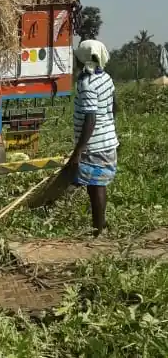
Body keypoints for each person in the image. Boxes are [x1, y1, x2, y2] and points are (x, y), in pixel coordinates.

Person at [64, 39, 118, 236]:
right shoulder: (106, 78)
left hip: (94, 145)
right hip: (106, 140)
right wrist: (111, 130)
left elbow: (91, 118)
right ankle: (99, 225)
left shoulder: (87, 84)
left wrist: (79, 150)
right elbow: (114, 106)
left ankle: (98, 229)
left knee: (95, 185)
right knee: (96, 183)